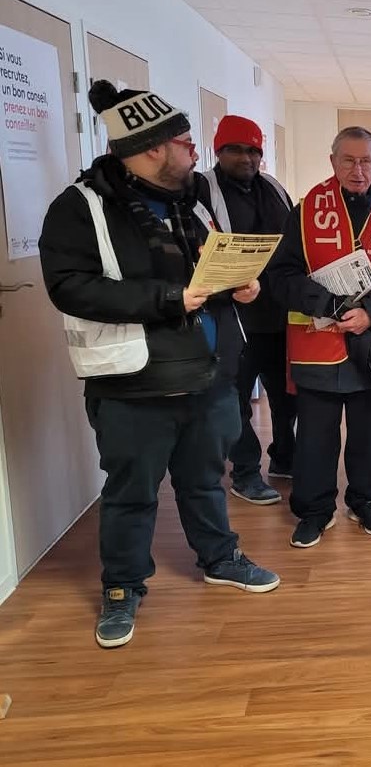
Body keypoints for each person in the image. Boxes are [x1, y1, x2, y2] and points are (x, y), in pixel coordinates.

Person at [39, 81, 280, 650]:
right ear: (152, 149)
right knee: (132, 492)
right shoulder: (80, 207)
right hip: (133, 382)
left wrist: (240, 286)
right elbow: (69, 287)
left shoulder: (191, 199)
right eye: (185, 143)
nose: (195, 152)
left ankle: (219, 558)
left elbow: (209, 266)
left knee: (205, 480)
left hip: (209, 375)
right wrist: (169, 299)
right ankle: (122, 587)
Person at [266, 126, 371, 548]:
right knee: (314, 439)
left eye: (366, 161)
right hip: (317, 347)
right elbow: (280, 276)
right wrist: (329, 304)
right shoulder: (304, 211)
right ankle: (314, 511)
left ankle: (365, 501)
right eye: (349, 160)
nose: (358, 170)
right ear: (333, 162)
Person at [201, 114, 296, 506]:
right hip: (233, 319)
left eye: (253, 150)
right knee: (235, 402)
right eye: (235, 150)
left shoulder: (273, 187)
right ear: (218, 151)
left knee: (287, 396)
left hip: (278, 316)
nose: (246, 158)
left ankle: (285, 457)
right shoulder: (201, 190)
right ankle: (245, 473)